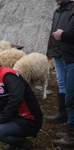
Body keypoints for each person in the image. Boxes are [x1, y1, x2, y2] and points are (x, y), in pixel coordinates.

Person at [46, 0, 74, 123]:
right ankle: (63, 113)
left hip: (67, 52)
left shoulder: (71, 10)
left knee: (70, 86)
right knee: (61, 82)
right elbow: (53, 31)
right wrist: (49, 50)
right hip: (57, 52)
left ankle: (70, 115)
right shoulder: (57, 11)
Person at [51, 7, 74, 148]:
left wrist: (63, 35)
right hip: (68, 59)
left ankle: (72, 136)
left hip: (72, 61)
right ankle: (70, 129)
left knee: (71, 97)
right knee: (69, 97)